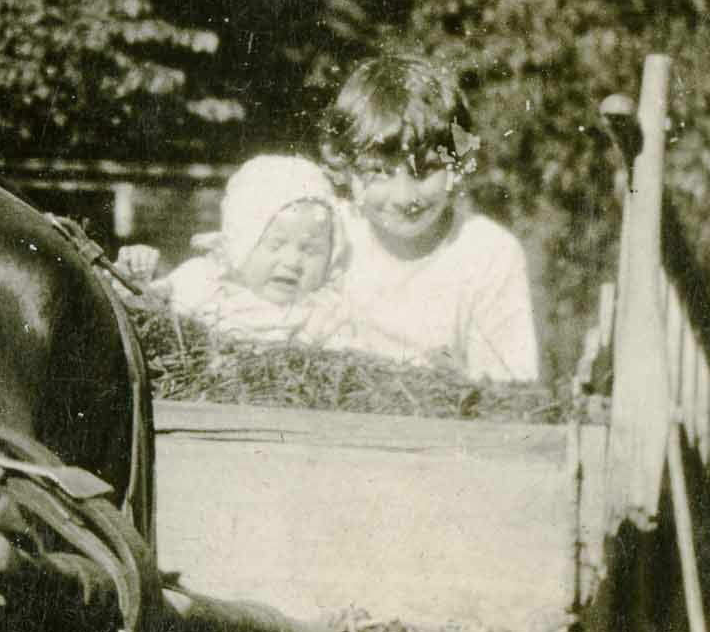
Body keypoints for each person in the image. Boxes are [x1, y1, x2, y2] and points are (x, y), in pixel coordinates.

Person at [315, 53, 541, 385]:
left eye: (428, 169)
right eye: (378, 171)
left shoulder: (488, 253)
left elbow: (511, 386)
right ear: (347, 170)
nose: (405, 197)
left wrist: (458, 382)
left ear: (458, 165)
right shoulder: (328, 232)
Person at [147, 153, 349, 343]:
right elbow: (149, 308)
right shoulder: (205, 281)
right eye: (275, 245)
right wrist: (138, 276)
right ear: (239, 244)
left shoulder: (324, 312)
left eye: (310, 250)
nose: (293, 261)